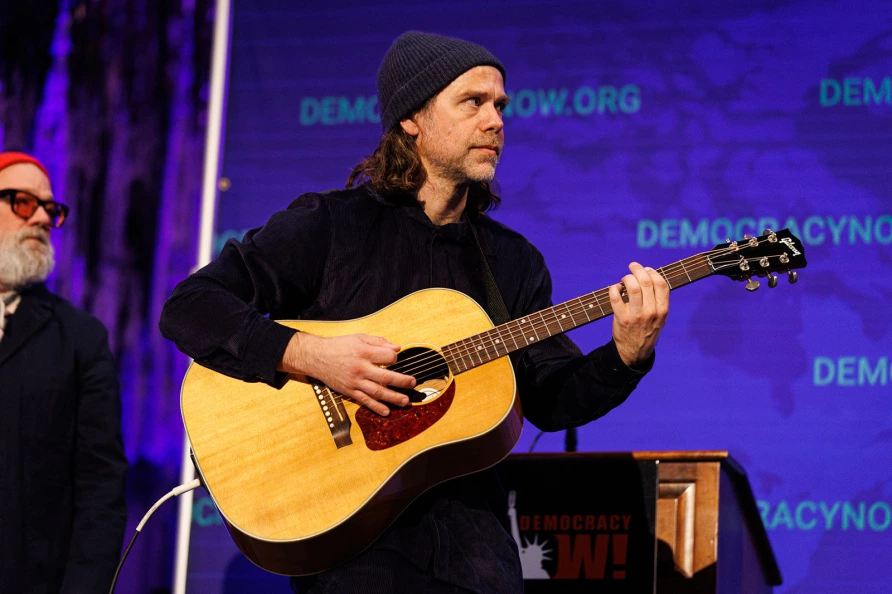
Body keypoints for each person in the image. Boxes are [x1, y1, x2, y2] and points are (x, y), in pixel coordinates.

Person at [160, 31, 669, 593]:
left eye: (500, 106)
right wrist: (312, 357)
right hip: (355, 553)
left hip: (476, 560)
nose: (495, 121)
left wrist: (627, 353)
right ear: (412, 119)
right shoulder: (330, 225)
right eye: (472, 103)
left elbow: (549, 399)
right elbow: (190, 307)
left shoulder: (514, 262)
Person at [0, 151, 129, 593]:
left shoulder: (79, 338)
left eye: (49, 208)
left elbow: (101, 490)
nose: (40, 217)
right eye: (22, 202)